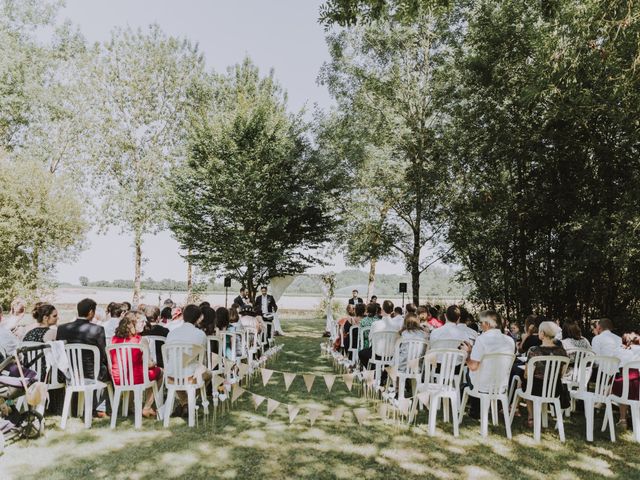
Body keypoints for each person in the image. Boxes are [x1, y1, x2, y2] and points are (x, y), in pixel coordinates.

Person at [56, 298, 109, 417]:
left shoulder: (62, 328)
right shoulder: (98, 329)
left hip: (69, 372)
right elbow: (102, 353)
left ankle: (75, 407)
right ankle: (100, 408)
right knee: (107, 371)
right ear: (91, 312)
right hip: (91, 373)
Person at [460, 310, 515, 418]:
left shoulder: (481, 339)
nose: (480, 325)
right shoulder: (510, 341)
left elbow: (474, 366)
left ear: (488, 324)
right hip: (501, 385)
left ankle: (475, 409)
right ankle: (480, 409)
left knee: (468, 373)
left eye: (481, 323)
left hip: (483, 386)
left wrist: (467, 355)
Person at [110, 311, 163, 418]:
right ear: (133, 323)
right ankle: (147, 407)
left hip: (118, 378)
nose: (144, 324)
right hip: (136, 377)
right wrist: (154, 363)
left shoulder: (114, 339)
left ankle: (129, 406)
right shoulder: (141, 340)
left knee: (134, 371)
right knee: (160, 372)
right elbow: (148, 364)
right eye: (141, 321)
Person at [165, 304, 211, 416]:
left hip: (171, 376)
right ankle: (188, 403)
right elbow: (202, 358)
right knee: (208, 374)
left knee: (177, 372)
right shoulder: (200, 334)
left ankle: (184, 404)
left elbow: (167, 356)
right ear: (198, 318)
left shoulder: (172, 333)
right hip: (190, 377)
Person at [520, 321, 568, 427]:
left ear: (541, 333)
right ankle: (537, 417)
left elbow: (527, 375)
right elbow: (562, 373)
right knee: (531, 383)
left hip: (536, 389)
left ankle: (531, 417)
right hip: (555, 389)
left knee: (524, 382)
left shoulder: (534, 350)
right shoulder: (562, 351)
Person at [357, 303, 381, 367]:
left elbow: (360, 336)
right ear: (376, 311)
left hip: (365, 344)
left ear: (367, 310)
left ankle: (365, 367)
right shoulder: (379, 321)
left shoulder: (363, 321)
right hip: (377, 345)